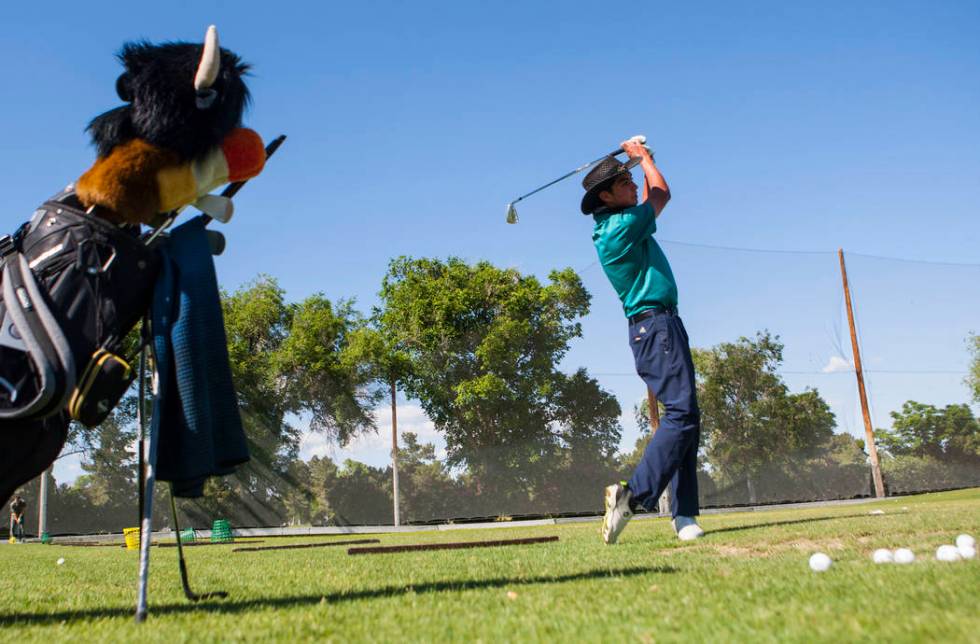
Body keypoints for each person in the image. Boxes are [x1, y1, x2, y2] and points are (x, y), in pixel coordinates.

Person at [582, 137, 704, 543]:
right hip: (655, 326)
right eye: (625, 182)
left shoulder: (620, 223)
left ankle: (685, 514)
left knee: (686, 417)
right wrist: (643, 157)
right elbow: (662, 193)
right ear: (607, 195)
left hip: (662, 324)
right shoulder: (619, 227)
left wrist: (639, 161)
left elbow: (652, 192)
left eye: (632, 179)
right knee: (681, 414)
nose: (633, 186)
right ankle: (632, 497)